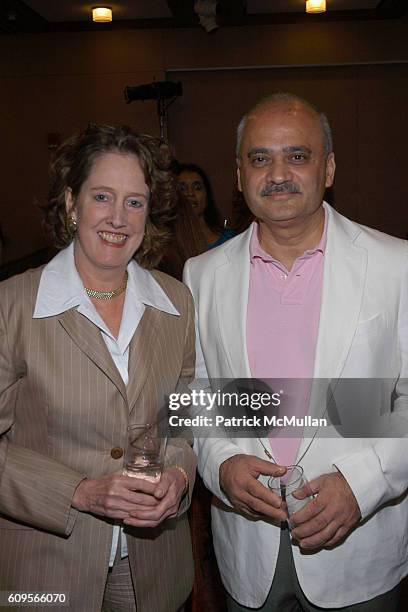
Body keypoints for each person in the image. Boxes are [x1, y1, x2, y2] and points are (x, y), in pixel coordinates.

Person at [183, 93, 408, 610]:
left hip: (360, 549)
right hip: (245, 549)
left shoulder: (394, 265)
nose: (277, 173)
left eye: (297, 156)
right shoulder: (202, 275)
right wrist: (219, 464)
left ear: (328, 168)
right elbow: (196, 394)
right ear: (239, 176)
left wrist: (363, 484)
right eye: (259, 158)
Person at [0, 123, 196, 612]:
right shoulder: (13, 305)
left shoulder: (176, 301)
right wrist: (81, 493)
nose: (118, 217)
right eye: (102, 196)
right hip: (44, 569)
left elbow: (187, 421)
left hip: (152, 566)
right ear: (71, 203)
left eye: (135, 201)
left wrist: (180, 475)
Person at [175, 163, 235, 249]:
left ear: (207, 197)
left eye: (197, 187)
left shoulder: (229, 240)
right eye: (182, 189)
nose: (190, 193)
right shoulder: (166, 243)